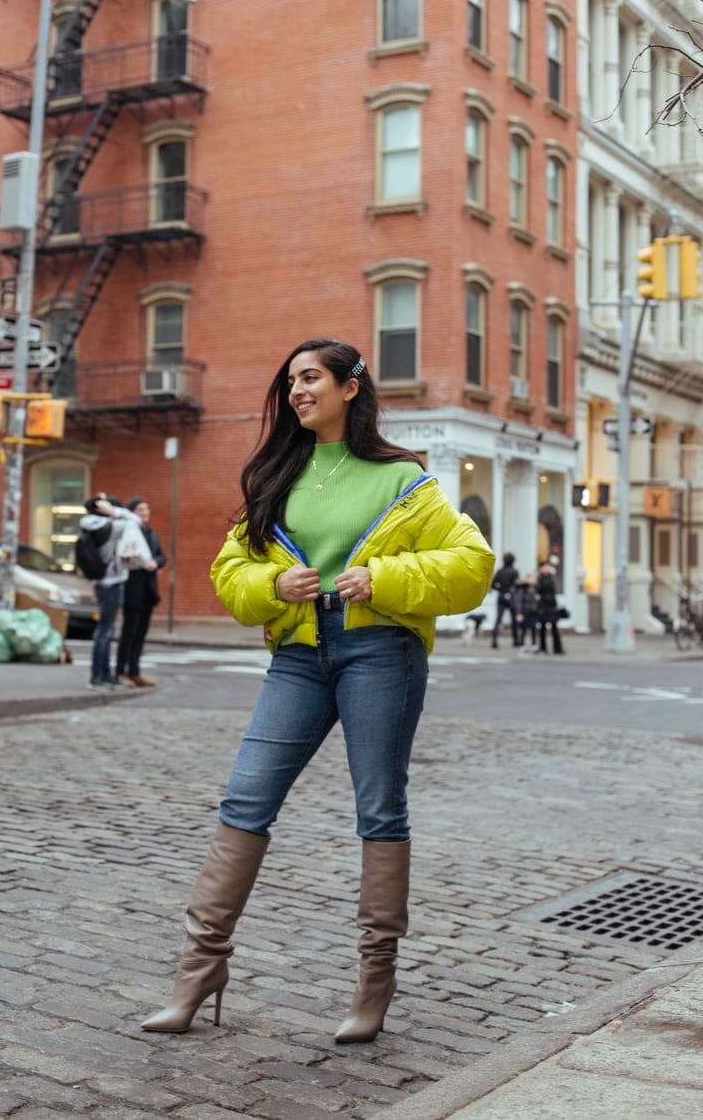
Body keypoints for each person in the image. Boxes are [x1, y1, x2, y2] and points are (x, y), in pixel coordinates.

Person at [141, 337, 494, 1043]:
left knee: (378, 808)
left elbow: (472, 563)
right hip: (299, 657)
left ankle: (374, 985)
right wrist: (272, 584)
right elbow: (228, 570)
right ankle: (198, 970)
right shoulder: (278, 472)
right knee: (246, 797)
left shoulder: (404, 481)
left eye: (311, 378)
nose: (298, 390)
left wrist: (387, 580)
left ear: (349, 387)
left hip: (380, 654)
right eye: (292, 380)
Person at [80, 494, 139, 690]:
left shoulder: (92, 525)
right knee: (105, 631)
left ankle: (104, 675)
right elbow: (135, 520)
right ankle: (98, 676)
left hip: (102, 581)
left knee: (106, 630)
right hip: (111, 582)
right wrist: (113, 510)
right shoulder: (110, 526)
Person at [116, 497, 166, 687]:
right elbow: (124, 557)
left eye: (146, 509)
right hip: (132, 586)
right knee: (129, 631)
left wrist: (156, 563)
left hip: (148, 588)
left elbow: (161, 555)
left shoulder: (150, 532)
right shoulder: (129, 531)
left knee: (141, 632)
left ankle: (134, 671)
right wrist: (142, 563)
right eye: (140, 510)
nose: (145, 513)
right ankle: (121, 671)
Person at [490, 552, 519, 648]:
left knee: (498, 619)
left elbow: (493, 585)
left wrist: (501, 589)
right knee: (514, 619)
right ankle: (515, 640)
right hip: (511, 596)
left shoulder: (500, 571)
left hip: (501, 596)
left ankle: (494, 639)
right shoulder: (514, 572)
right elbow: (516, 585)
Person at [536, 559, 565, 655]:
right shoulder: (539, 578)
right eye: (545, 567)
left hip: (551, 605)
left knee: (554, 627)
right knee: (543, 628)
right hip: (543, 606)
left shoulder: (551, 577)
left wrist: (556, 605)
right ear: (540, 568)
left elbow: (553, 592)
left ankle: (557, 648)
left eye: (547, 567)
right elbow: (537, 592)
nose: (546, 568)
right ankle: (543, 648)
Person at [513, 571, 539, 653]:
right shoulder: (523, 588)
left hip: (533, 612)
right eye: (533, 578)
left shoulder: (535, 588)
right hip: (525, 612)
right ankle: (522, 645)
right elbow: (519, 601)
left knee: (534, 628)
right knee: (523, 629)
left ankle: (534, 645)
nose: (535, 580)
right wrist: (519, 613)